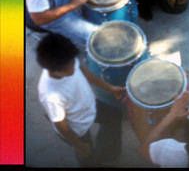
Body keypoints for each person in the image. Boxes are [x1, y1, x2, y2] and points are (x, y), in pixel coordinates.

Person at [36, 33, 126, 167]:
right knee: (86, 154)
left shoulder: (66, 60)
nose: (73, 68)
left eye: (73, 62)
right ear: (52, 70)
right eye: (68, 68)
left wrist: (110, 88)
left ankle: (106, 155)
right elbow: (61, 126)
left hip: (90, 105)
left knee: (114, 115)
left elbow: (83, 71)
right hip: (76, 128)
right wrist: (79, 145)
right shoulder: (51, 95)